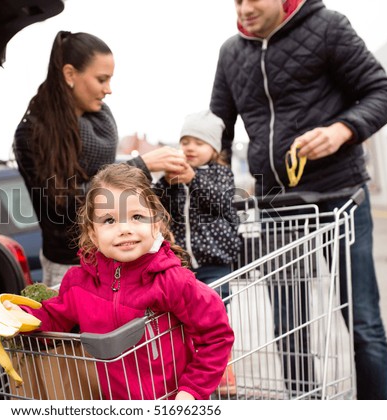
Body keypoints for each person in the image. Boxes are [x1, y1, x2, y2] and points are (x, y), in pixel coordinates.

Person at [209, 0, 387, 399]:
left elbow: (382, 91)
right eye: (236, 0)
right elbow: (219, 131)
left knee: (362, 319)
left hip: (341, 198)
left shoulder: (328, 27)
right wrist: (205, 175)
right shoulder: (230, 52)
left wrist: (343, 130)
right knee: (288, 322)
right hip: (277, 205)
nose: (243, 8)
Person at [23, 163, 234, 400]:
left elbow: (216, 335)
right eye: (109, 221)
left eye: (137, 217)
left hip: (171, 401)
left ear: (156, 224)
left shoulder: (171, 280)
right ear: (93, 233)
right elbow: (52, 318)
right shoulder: (79, 283)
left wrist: (191, 390)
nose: (124, 229)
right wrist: (15, 316)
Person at [13, 31, 188, 287]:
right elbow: (64, 202)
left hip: (116, 257)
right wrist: (142, 166)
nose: (109, 90)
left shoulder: (98, 121)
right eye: (101, 79)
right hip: (71, 265)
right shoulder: (32, 131)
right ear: (70, 74)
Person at [154, 110, 241, 397]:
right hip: (183, 264)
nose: (190, 148)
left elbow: (221, 202)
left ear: (214, 149)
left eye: (198, 143)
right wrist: (166, 183)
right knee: (185, 320)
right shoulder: (174, 177)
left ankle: (222, 366)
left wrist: (193, 179)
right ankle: (191, 370)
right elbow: (156, 204)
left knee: (215, 317)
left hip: (215, 261)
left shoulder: (220, 175)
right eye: (185, 141)